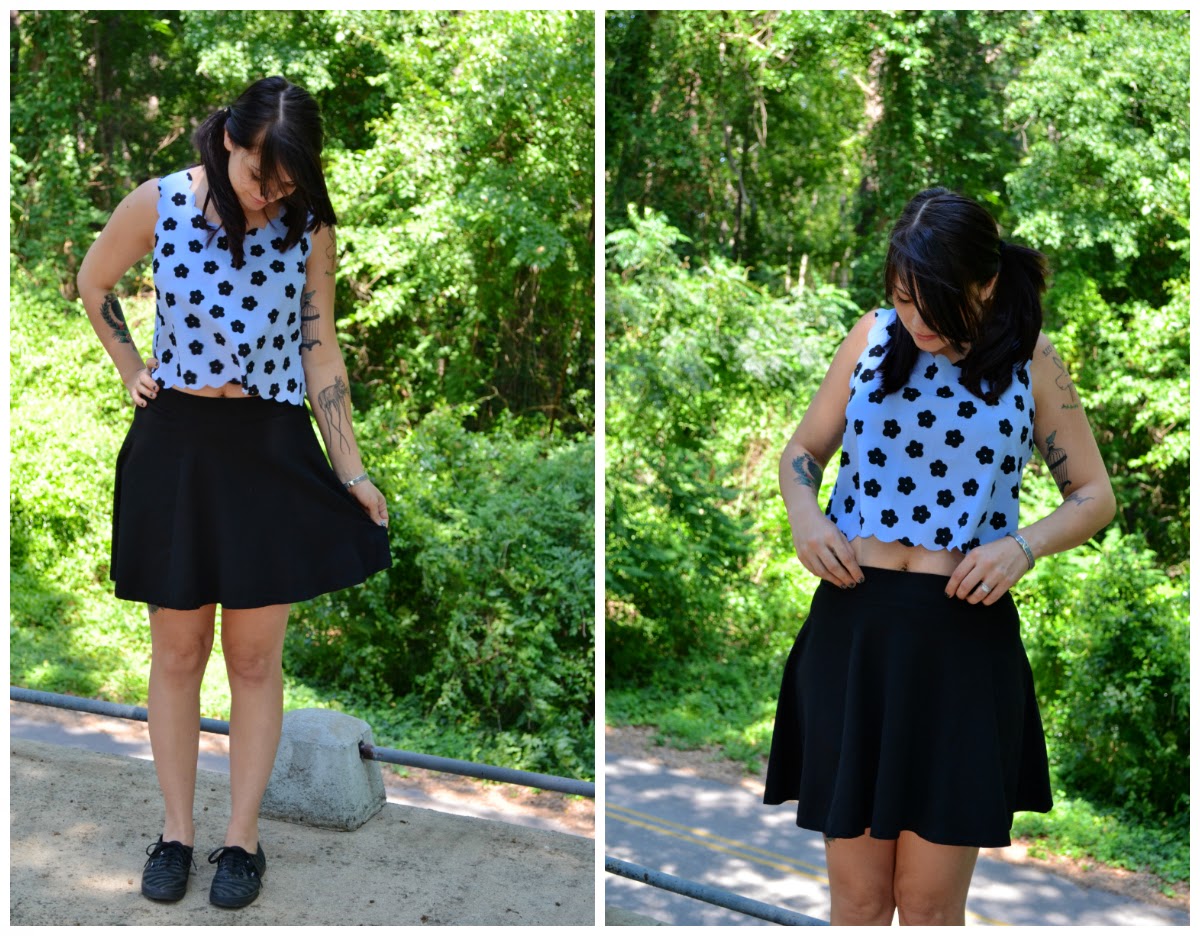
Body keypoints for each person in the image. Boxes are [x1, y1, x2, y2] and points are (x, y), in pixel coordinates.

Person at [76, 76, 392, 910]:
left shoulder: (309, 228)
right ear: (229, 142)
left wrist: (352, 471)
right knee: (178, 654)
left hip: (270, 451)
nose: (270, 196)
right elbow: (92, 281)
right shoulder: (161, 203)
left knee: (254, 661)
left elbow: (322, 355)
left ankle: (240, 842)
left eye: (287, 183)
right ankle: (176, 834)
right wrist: (132, 369)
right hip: (177, 447)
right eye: (262, 176)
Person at [763, 188, 1115, 925]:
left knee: (927, 907)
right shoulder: (870, 338)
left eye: (933, 303)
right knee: (857, 902)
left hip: (962, 646)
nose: (914, 320)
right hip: (854, 636)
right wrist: (805, 517)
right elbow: (803, 451)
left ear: (984, 284)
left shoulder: (1032, 360)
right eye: (903, 298)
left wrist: (1023, 546)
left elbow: (1093, 495)